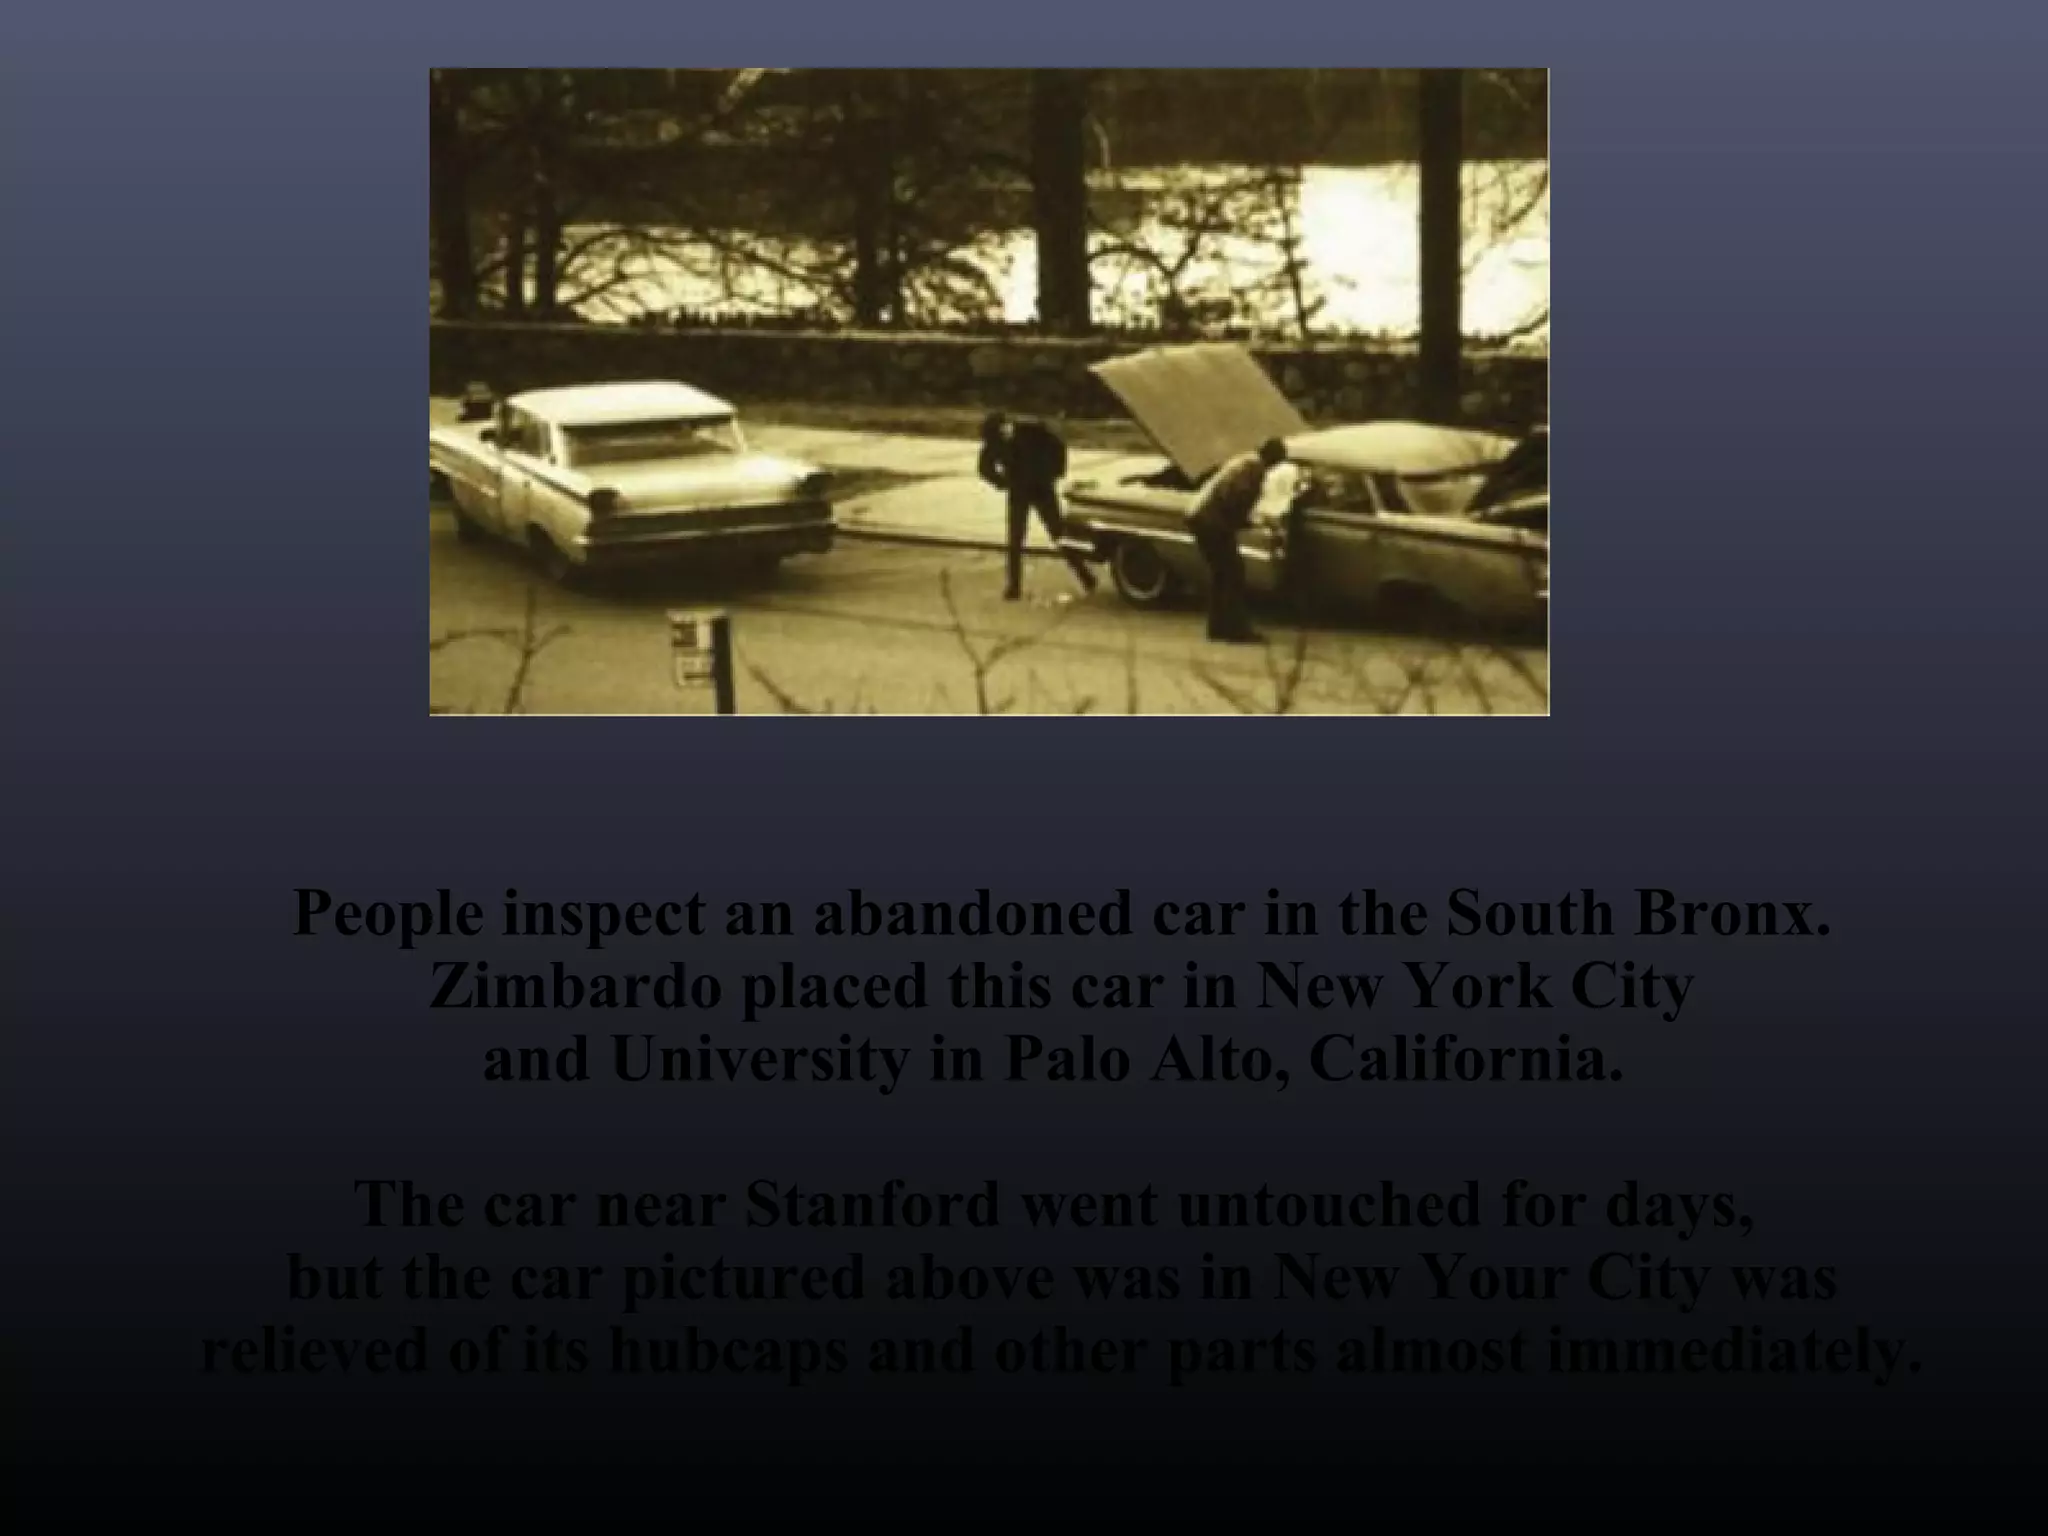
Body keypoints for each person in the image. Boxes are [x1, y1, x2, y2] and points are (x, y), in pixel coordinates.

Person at [979, 412, 1099, 601]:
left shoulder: (1032, 430)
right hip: (1019, 490)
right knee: (1016, 538)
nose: (1004, 435)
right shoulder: (994, 442)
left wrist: (1055, 472)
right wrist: (1002, 483)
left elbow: (1058, 446)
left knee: (1058, 534)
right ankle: (1014, 587)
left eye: (1005, 431)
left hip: (1042, 489)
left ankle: (1086, 577)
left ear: (1008, 424)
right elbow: (985, 468)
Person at [1186, 436, 1288, 643]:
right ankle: (1236, 629)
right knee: (1233, 573)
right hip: (1211, 522)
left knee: (1222, 574)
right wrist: (1247, 521)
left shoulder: (1245, 461)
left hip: (1202, 517)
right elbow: (1235, 497)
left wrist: (1244, 520)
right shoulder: (1254, 469)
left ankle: (1218, 626)